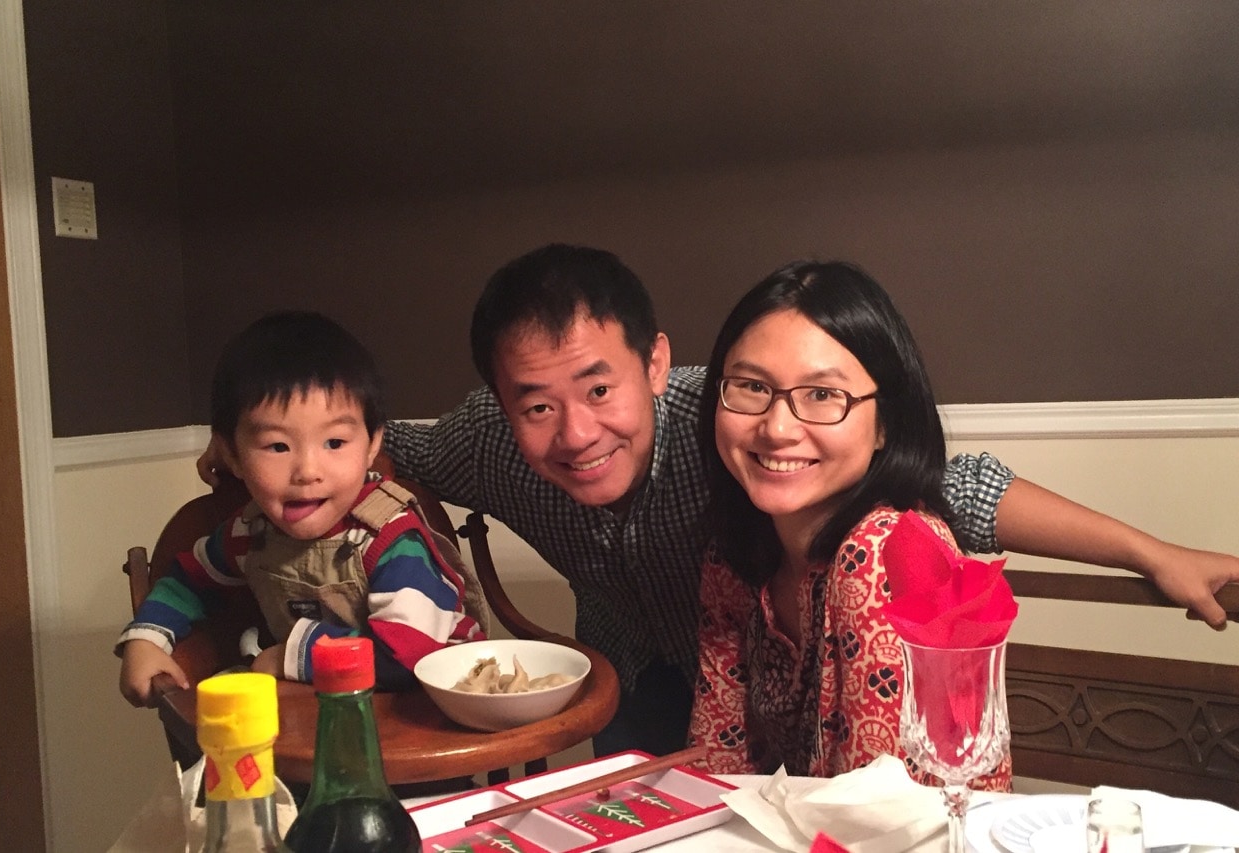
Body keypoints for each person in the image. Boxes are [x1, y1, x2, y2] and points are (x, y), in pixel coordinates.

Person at [196, 245, 1239, 756]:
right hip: (637, 687)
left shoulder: (736, 419)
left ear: (654, 363)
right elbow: (365, 450)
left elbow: (949, 487)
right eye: (535, 404)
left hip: (795, 682)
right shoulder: (481, 444)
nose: (574, 433)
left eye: (597, 387)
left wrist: (1153, 551)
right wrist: (243, 474)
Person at [687, 260, 1008, 787]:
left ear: (885, 425)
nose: (778, 427)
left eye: (822, 395)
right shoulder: (735, 550)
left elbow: (875, 809)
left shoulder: (886, 549)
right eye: (750, 386)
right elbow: (716, 763)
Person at [118, 311, 485, 707]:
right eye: (277, 446)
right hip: (323, 714)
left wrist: (289, 656)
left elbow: (406, 659)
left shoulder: (393, 540)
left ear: (373, 445)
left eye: (335, 443)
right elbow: (187, 579)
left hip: (427, 717)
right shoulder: (250, 534)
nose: (308, 472)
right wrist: (148, 636)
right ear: (232, 456)